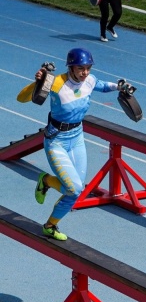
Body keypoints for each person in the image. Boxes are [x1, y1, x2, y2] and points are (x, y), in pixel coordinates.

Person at [16, 49, 129, 242]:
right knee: (74, 188)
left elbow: (100, 85)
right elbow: (22, 98)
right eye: (80, 68)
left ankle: (50, 225)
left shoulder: (90, 80)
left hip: (77, 138)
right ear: (71, 67)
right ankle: (46, 182)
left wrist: (119, 86)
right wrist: (38, 82)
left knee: (75, 192)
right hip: (56, 141)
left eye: (88, 68)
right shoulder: (55, 82)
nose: (85, 72)